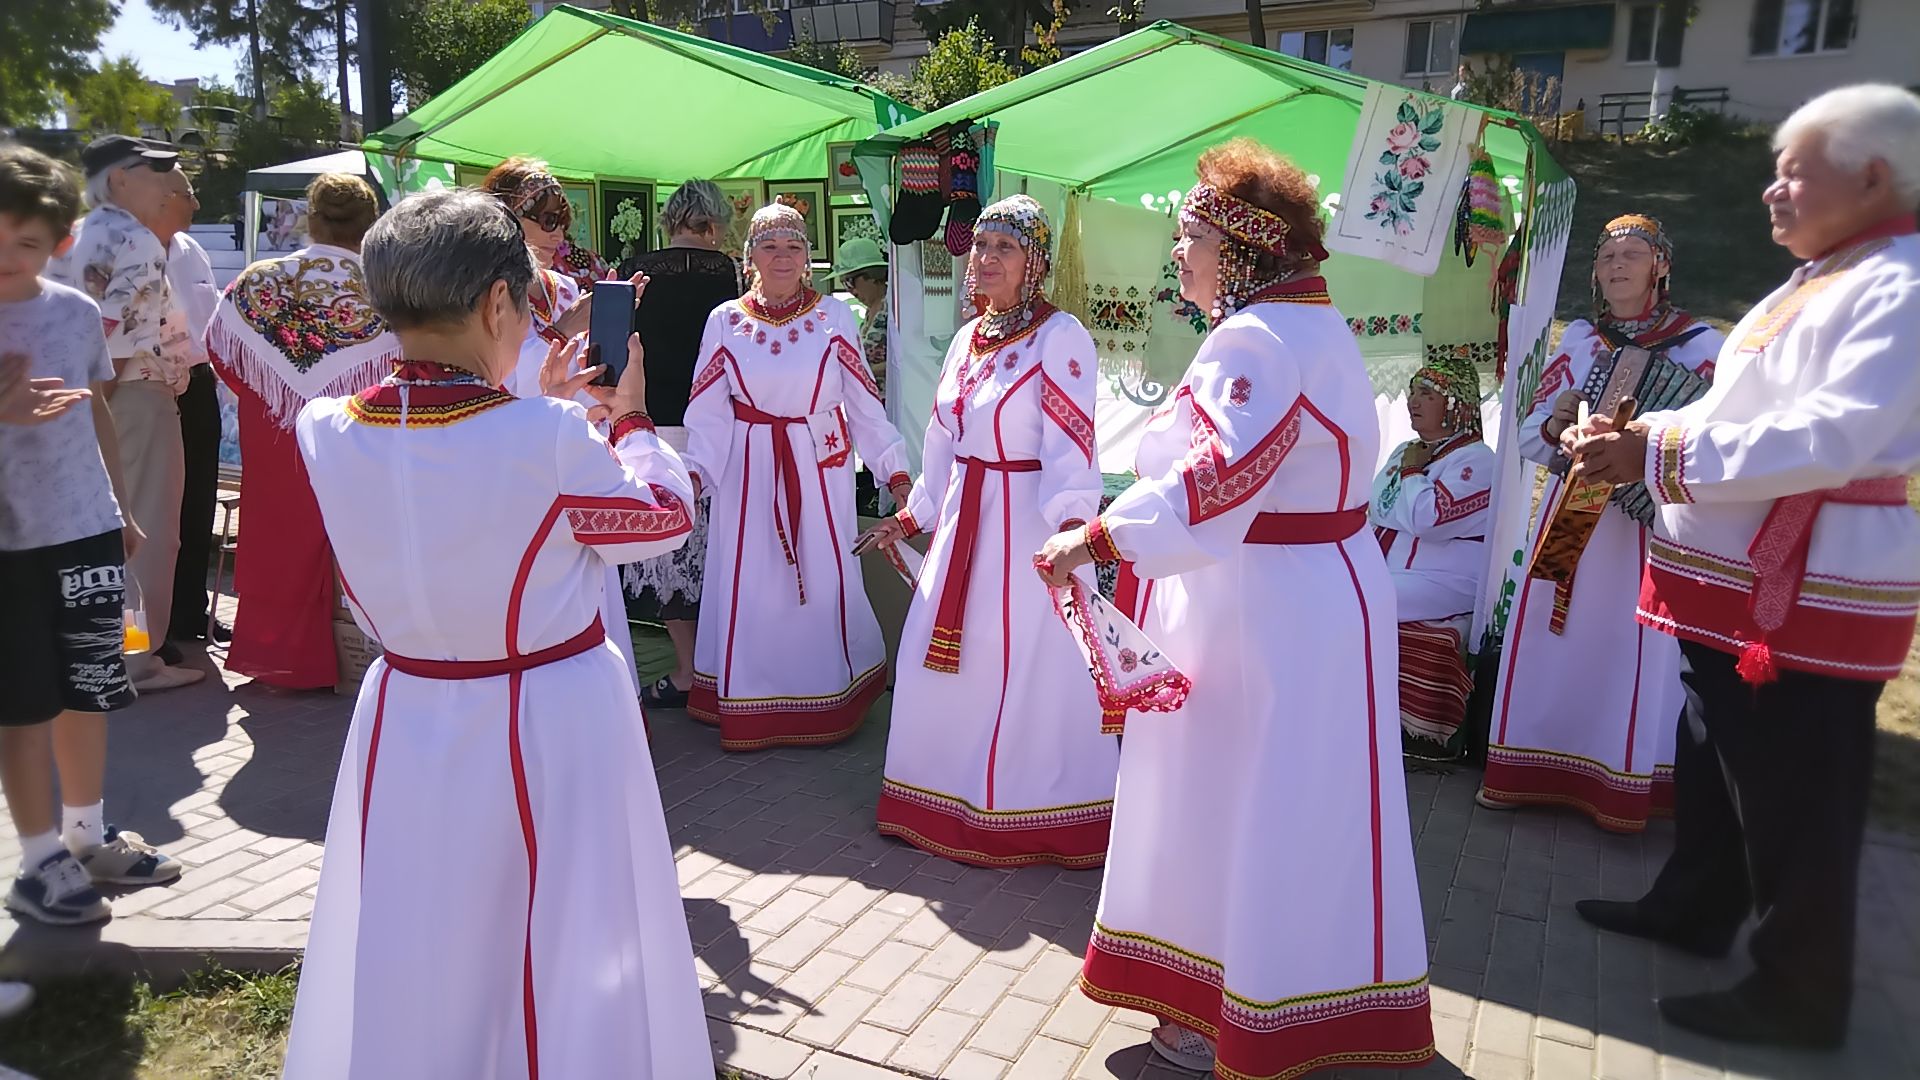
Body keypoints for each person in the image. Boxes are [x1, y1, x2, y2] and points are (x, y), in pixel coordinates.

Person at [282, 189, 707, 1078]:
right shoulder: (546, 435)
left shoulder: (324, 428)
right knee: (562, 936)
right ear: (497, 302)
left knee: (417, 927)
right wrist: (627, 422)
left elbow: (456, 467)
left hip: (403, 713)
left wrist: (551, 415)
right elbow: (663, 516)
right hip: (544, 717)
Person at [1034, 139, 1433, 1078]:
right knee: (1306, 799)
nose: (1180, 253)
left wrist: (1093, 541)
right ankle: (1304, 996)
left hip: (1263, 608)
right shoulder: (1317, 326)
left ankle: (1223, 1015)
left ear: (1243, 252)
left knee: (1232, 796)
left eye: (1191, 237)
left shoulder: (1253, 340)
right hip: (1319, 592)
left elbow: (1216, 480)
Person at [1567, 84, 1920, 1049]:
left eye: (1792, 173)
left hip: (1807, 589)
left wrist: (1657, 457)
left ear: (1871, 177)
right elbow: (1733, 408)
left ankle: (1800, 990)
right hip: (1734, 586)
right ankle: (1696, 902)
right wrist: (1643, 429)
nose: (1770, 192)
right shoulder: (1822, 275)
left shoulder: (1901, 283)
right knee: (1714, 753)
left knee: (1795, 792)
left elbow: (1833, 435)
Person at [854, 195, 1116, 868]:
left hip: (1026, 527)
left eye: (1006, 248)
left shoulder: (1061, 337)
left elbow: (1072, 449)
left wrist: (1070, 536)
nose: (987, 259)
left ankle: (1025, 815)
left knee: (1021, 666)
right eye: (982, 247)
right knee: (939, 661)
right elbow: (942, 443)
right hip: (965, 524)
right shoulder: (970, 338)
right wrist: (911, 518)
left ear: (1035, 263)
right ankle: (935, 800)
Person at [1478, 214, 1724, 832]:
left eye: (1632, 254)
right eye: (1607, 256)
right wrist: (1560, 426)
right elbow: (1534, 433)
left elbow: (1713, 443)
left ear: (1660, 266)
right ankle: (1533, 769)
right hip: (1574, 513)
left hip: (1645, 526)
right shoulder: (1582, 341)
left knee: (1631, 647)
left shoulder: (1701, 348)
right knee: (1553, 635)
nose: (1616, 265)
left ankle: (1620, 784)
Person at [1, 145, 181, 934]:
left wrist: (122, 510)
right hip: (10, 548)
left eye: (26, 243)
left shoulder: (74, 313)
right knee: (23, 705)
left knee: (89, 686)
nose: (8, 259)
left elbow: (97, 405)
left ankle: (86, 833)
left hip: (82, 529)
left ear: (60, 242)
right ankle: (40, 859)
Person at [683, 203, 913, 750]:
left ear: (808, 258)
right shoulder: (725, 320)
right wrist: (693, 476)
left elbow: (863, 403)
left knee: (818, 574)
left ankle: (826, 697)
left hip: (816, 466)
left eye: (793, 246)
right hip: (749, 466)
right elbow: (710, 412)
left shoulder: (835, 316)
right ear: (750, 257)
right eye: (770, 246)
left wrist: (894, 471)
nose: (782, 256)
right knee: (754, 575)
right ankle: (754, 701)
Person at [206, 173, 399, 690]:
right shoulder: (386, 286)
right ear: (369, 222)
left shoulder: (258, 280)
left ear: (311, 219)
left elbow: (222, 354)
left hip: (275, 428)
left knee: (279, 533)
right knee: (354, 531)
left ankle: (282, 661)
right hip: (359, 427)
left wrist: (273, 396)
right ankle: (360, 655)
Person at [46, 135, 206, 691]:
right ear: (119, 180)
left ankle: (97, 650)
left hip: (77, 399)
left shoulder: (74, 237)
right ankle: (133, 659)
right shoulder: (137, 240)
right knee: (145, 535)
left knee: (97, 535)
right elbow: (115, 349)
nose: (169, 185)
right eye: (155, 173)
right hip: (129, 397)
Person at [616, 179, 744, 710]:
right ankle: (721, 666)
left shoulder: (634, 272)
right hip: (724, 425)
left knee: (671, 550)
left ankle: (689, 669)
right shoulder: (729, 274)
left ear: (671, 220)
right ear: (713, 225)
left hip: (655, 418)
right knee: (719, 551)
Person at [1369, 355, 1494, 761]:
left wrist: (1412, 478)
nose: (1412, 401)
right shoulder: (1408, 451)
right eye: (1412, 392)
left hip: (1449, 577)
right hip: (1400, 570)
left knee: (1362, 599)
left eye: (1427, 393)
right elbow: (1377, 508)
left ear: (1457, 403)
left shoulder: (1478, 460)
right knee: (1339, 590)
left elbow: (1429, 519)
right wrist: (1414, 490)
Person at [163, 166, 228, 656]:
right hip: (147, 390)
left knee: (196, 506)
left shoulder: (190, 249)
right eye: (188, 193)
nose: (197, 204)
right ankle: (137, 636)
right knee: (147, 519)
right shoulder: (115, 247)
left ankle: (187, 614)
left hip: (197, 386)